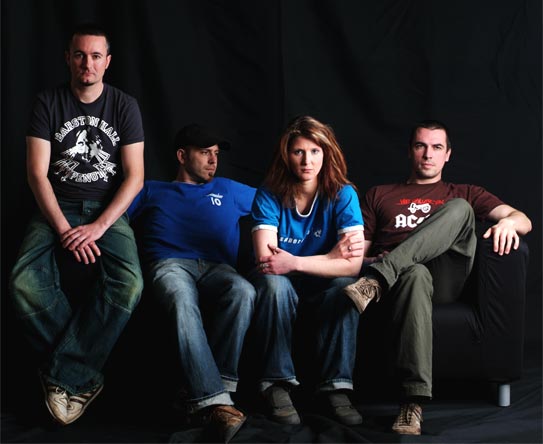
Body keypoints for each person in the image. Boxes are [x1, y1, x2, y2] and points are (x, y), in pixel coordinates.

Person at [342, 119, 533, 435]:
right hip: (402, 284)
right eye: (421, 146)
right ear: (410, 151)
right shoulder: (380, 194)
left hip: (445, 279)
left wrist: (509, 223)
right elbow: (357, 253)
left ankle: (376, 280)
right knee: (415, 272)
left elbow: (523, 219)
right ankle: (412, 404)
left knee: (460, 209)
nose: (428, 154)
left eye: (436, 147)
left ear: (448, 154)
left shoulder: (464, 193)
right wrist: (367, 261)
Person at [9, 23, 145, 425]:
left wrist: (99, 226)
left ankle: (63, 375)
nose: (88, 63)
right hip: (56, 205)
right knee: (22, 282)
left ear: (107, 61)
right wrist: (64, 228)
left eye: (96, 56)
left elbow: (135, 177)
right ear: (68, 58)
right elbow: (37, 174)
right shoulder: (48, 102)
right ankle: (83, 375)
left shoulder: (124, 105)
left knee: (130, 283)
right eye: (80, 55)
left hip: (106, 210)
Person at [127, 123, 256, 443]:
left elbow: (278, 204)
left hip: (218, 268)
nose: (213, 161)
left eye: (216, 154)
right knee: (180, 297)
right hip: (169, 264)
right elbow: (115, 218)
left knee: (243, 290)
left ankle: (215, 393)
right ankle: (217, 401)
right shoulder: (152, 189)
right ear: (182, 156)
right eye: (205, 153)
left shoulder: (228, 188)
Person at [249, 115, 365, 426]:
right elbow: (268, 262)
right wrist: (329, 257)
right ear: (286, 155)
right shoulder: (269, 193)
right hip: (282, 285)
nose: (306, 160)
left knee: (345, 286)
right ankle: (276, 385)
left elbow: (352, 265)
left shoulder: (343, 194)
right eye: (298, 151)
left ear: (326, 154)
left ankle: (336, 389)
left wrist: (296, 262)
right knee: (274, 284)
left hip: (323, 285)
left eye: (315, 151)